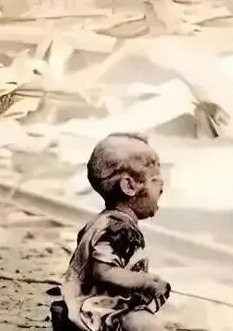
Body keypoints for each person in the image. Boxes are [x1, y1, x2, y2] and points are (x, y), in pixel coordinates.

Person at [52, 133, 170, 331]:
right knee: (147, 325)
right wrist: (145, 281)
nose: (162, 186)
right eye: (155, 179)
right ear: (129, 186)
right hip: (92, 312)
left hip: (81, 307)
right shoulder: (119, 228)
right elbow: (103, 271)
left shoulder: (100, 222)